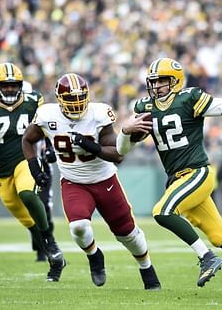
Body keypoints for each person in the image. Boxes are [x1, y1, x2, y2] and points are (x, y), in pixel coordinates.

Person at [116, 57, 222, 297]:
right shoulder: (145, 108)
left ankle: (206, 258)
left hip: (197, 172)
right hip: (177, 178)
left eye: (161, 81)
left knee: (162, 211)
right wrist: (124, 130)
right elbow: (122, 150)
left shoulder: (189, 98)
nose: (156, 86)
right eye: (153, 81)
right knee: (220, 236)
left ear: (175, 81)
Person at [22, 72, 161, 290]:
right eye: (71, 100)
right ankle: (94, 256)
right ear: (59, 100)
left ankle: (147, 269)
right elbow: (27, 140)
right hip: (73, 181)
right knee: (78, 227)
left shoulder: (98, 113)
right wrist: (34, 167)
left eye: (80, 99)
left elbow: (117, 154)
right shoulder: (47, 114)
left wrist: (92, 147)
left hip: (104, 179)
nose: (77, 105)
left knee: (127, 233)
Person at [0, 62, 66, 282]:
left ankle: (50, 239)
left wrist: (49, 148)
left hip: (24, 160)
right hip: (0, 172)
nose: (10, 89)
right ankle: (54, 257)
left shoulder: (32, 101)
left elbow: (47, 128)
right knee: (28, 220)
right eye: (5, 85)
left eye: (14, 85)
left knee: (28, 192)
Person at [30, 137, 57, 262]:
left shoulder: (46, 122)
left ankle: (48, 246)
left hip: (44, 168)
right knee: (33, 209)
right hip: (27, 167)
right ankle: (40, 248)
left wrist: (52, 151)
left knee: (45, 207)